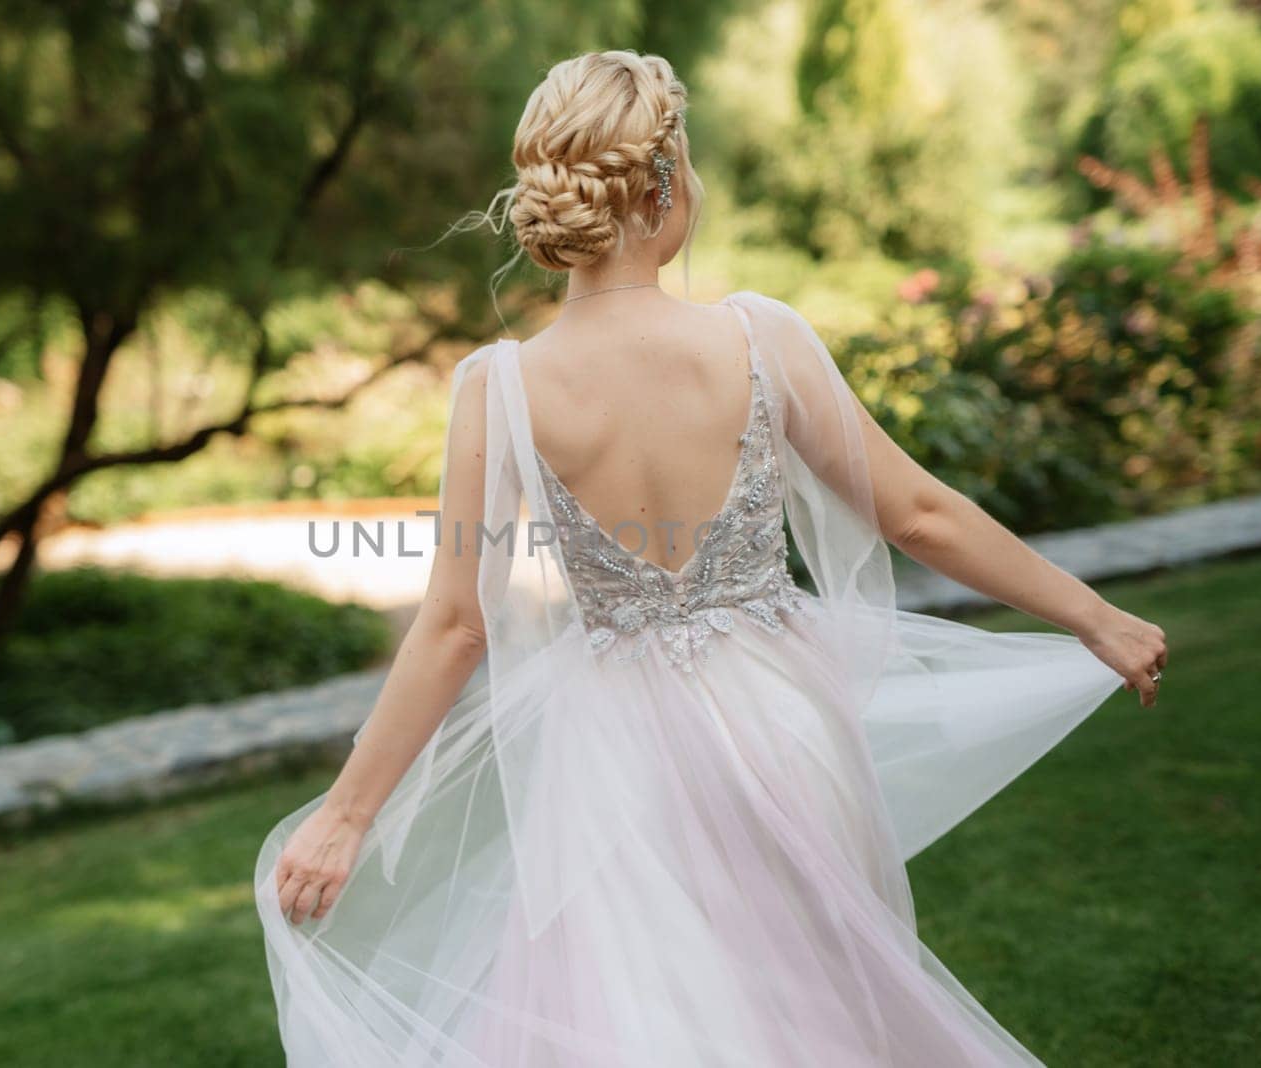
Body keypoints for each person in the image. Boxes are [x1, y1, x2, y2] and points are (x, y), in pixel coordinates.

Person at [255, 49, 1167, 1067]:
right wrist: (1092, 614)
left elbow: (456, 624)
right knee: (816, 1008)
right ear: (661, 185)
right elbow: (916, 514)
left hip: (607, 758)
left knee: (648, 1020)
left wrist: (345, 816)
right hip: (783, 720)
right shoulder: (757, 338)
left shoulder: (499, 387)